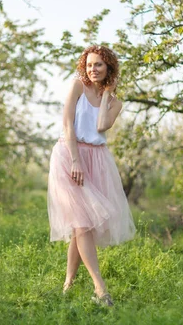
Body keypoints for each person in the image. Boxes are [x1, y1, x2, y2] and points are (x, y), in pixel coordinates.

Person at [47, 45, 136, 307]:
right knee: (82, 223)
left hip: (97, 159)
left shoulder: (115, 102)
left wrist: (108, 94)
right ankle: (101, 289)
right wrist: (75, 160)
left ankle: (68, 284)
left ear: (109, 67)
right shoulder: (77, 86)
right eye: (89, 65)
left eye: (98, 64)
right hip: (69, 155)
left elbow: (101, 126)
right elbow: (67, 124)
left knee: (81, 225)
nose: (92, 69)